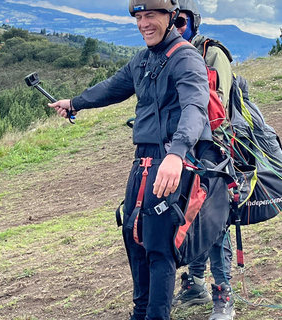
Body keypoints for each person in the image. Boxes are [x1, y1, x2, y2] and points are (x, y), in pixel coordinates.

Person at [48, 0, 213, 319]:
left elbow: (195, 107)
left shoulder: (186, 59)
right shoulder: (143, 60)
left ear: (171, 17)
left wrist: (176, 154)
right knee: (133, 235)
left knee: (158, 246)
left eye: (151, 15)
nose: (143, 23)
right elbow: (113, 88)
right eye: (139, 16)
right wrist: (76, 103)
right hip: (142, 164)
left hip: (169, 163)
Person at [171, 1, 236, 320]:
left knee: (214, 223)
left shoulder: (212, 54)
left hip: (213, 152)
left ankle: (224, 296)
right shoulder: (166, 55)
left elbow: (218, 109)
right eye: (172, 22)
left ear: (194, 22)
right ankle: (195, 284)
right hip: (179, 152)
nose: (175, 27)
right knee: (186, 218)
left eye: (180, 22)